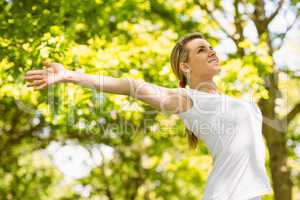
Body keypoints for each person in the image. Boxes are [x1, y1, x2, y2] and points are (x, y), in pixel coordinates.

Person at [24, 32, 273, 200]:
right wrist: (69, 75)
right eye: (201, 50)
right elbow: (130, 86)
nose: (211, 51)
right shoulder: (188, 100)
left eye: (211, 47)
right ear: (185, 67)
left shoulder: (239, 103)